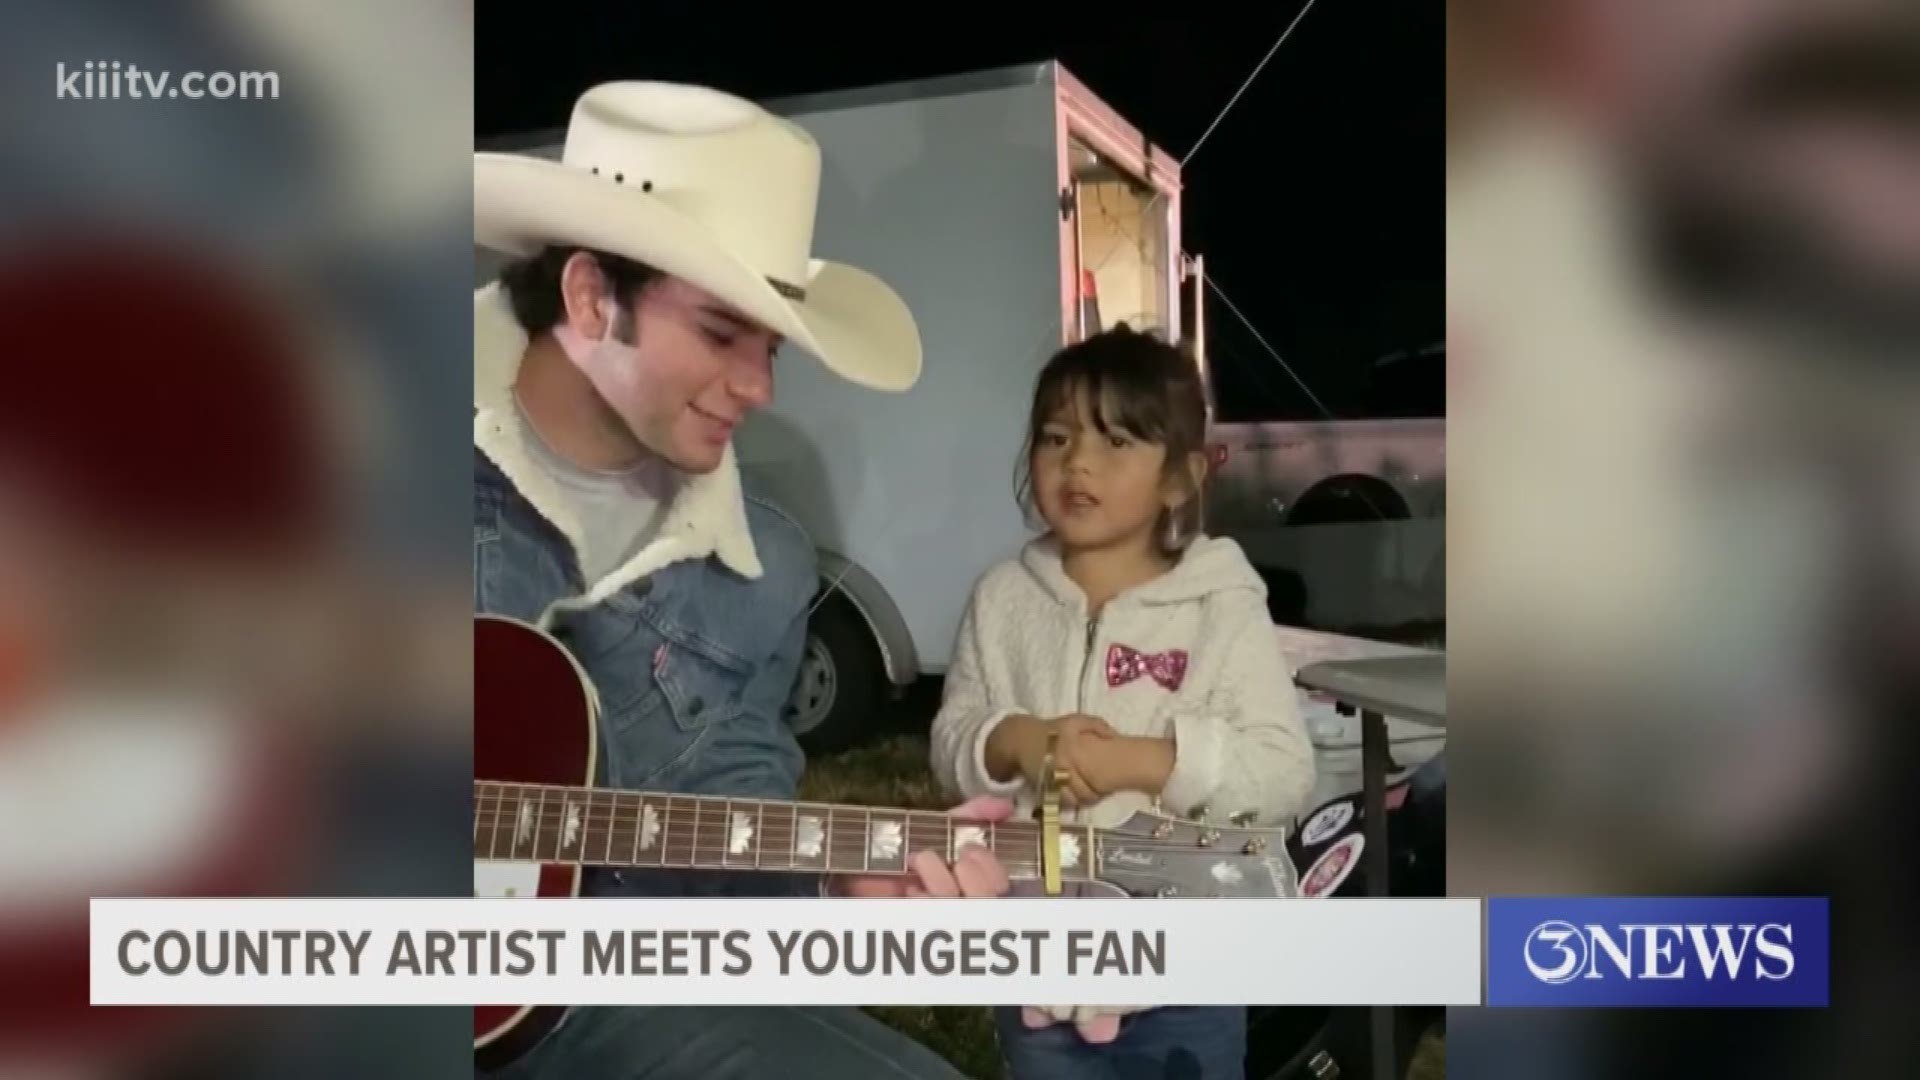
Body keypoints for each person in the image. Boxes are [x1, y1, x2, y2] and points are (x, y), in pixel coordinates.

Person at [472, 80, 1010, 1078]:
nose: (760, 387)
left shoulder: (761, 571)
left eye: (772, 348)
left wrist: (832, 899)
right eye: (723, 334)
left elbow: (717, 849)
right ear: (590, 297)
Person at [930, 326, 1317, 1079]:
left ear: (1180, 478)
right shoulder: (1002, 601)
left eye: (1116, 442)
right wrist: (1012, 741)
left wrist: (1144, 762)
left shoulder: (1220, 606)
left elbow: (1281, 770)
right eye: (1055, 437)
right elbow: (953, 744)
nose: (1077, 462)